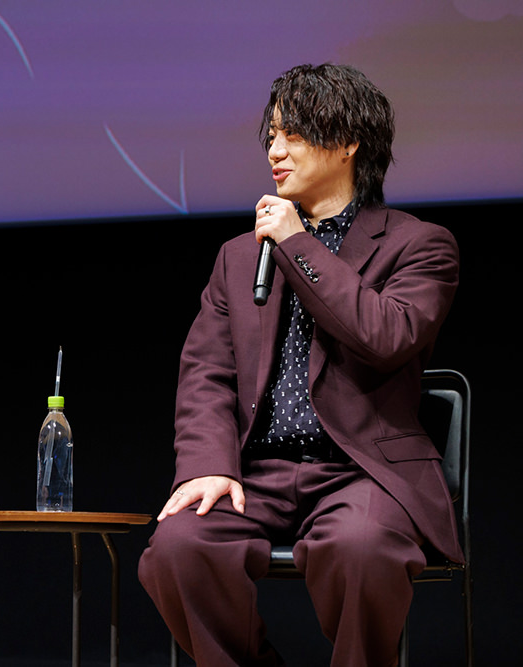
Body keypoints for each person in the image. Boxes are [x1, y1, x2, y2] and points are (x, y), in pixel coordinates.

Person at [138, 64, 461, 667]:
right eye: (270, 137)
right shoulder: (239, 257)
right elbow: (206, 373)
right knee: (177, 549)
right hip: (257, 472)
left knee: (362, 549)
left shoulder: (418, 244)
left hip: (360, 472)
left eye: (294, 135)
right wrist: (208, 466)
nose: (275, 152)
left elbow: (386, 335)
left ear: (348, 142)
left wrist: (296, 244)